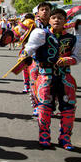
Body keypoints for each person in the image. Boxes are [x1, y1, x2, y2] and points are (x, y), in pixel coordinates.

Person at [22, 9, 80, 150]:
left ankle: (65, 138)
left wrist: (69, 59)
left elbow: (77, 57)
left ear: (65, 20)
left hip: (65, 77)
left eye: (60, 18)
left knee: (68, 109)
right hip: (45, 76)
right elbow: (28, 50)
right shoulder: (41, 34)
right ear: (49, 20)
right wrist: (24, 56)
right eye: (54, 17)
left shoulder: (74, 39)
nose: (57, 20)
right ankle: (44, 135)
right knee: (44, 107)